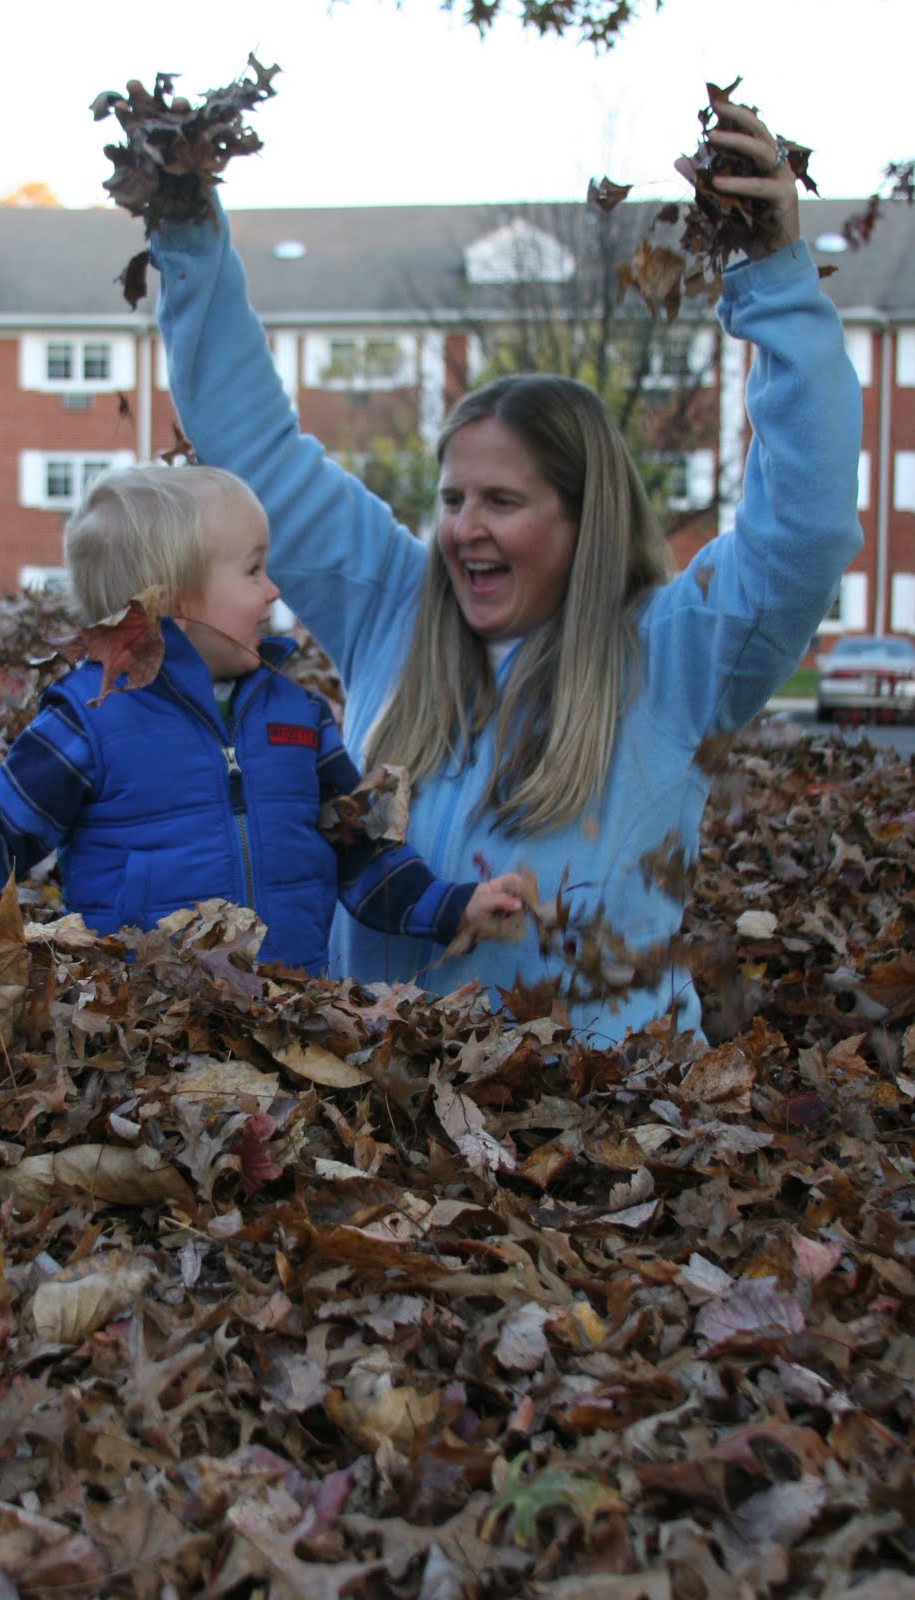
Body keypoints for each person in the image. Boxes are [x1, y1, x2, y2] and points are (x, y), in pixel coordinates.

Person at [150, 99, 864, 1044]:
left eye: (502, 501)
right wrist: (186, 229)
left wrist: (772, 279)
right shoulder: (393, 608)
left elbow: (801, 532)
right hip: (386, 1097)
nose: (463, 530)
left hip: (604, 1110)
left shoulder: (679, 654)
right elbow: (253, 454)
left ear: (582, 520)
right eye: (452, 499)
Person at [0, 463, 523, 973]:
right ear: (171, 597)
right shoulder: (92, 716)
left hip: (293, 1016)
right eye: (252, 570)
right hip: (150, 1032)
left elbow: (363, 853)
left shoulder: (300, 718)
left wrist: (451, 907)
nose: (273, 589)